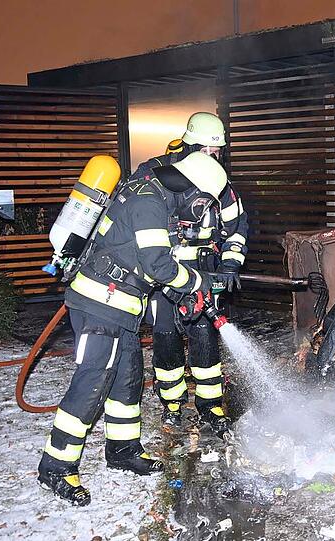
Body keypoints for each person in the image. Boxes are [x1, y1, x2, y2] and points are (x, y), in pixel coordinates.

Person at [37, 150, 225, 507]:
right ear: (189, 190)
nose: (200, 213)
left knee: (126, 380)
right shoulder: (149, 203)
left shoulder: (155, 199)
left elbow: (147, 262)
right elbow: (158, 266)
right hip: (99, 304)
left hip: (121, 307)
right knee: (93, 382)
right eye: (202, 204)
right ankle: (56, 467)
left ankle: (122, 451)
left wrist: (182, 294)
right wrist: (198, 281)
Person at [140, 112, 248, 435]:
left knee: (205, 338)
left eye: (219, 153)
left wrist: (230, 264)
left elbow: (237, 227)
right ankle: (171, 406)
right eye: (211, 152)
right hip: (163, 276)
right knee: (166, 339)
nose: (216, 159)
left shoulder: (220, 183)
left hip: (204, 273)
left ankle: (210, 406)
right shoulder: (158, 174)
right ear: (195, 146)